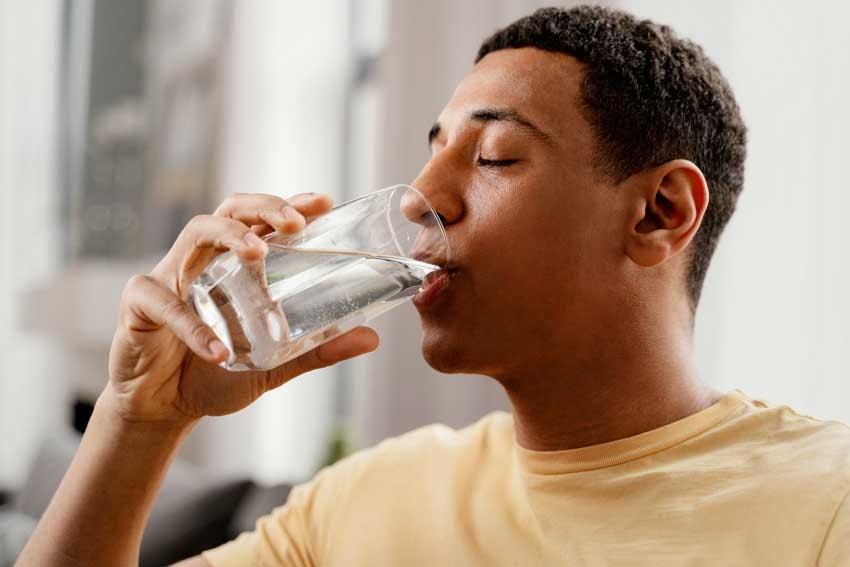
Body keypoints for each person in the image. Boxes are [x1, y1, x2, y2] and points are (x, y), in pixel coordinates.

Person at [17, 5, 850, 566]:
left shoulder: (824, 506)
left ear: (659, 213)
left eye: (492, 158)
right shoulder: (363, 502)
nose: (424, 200)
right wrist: (139, 417)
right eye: (432, 151)